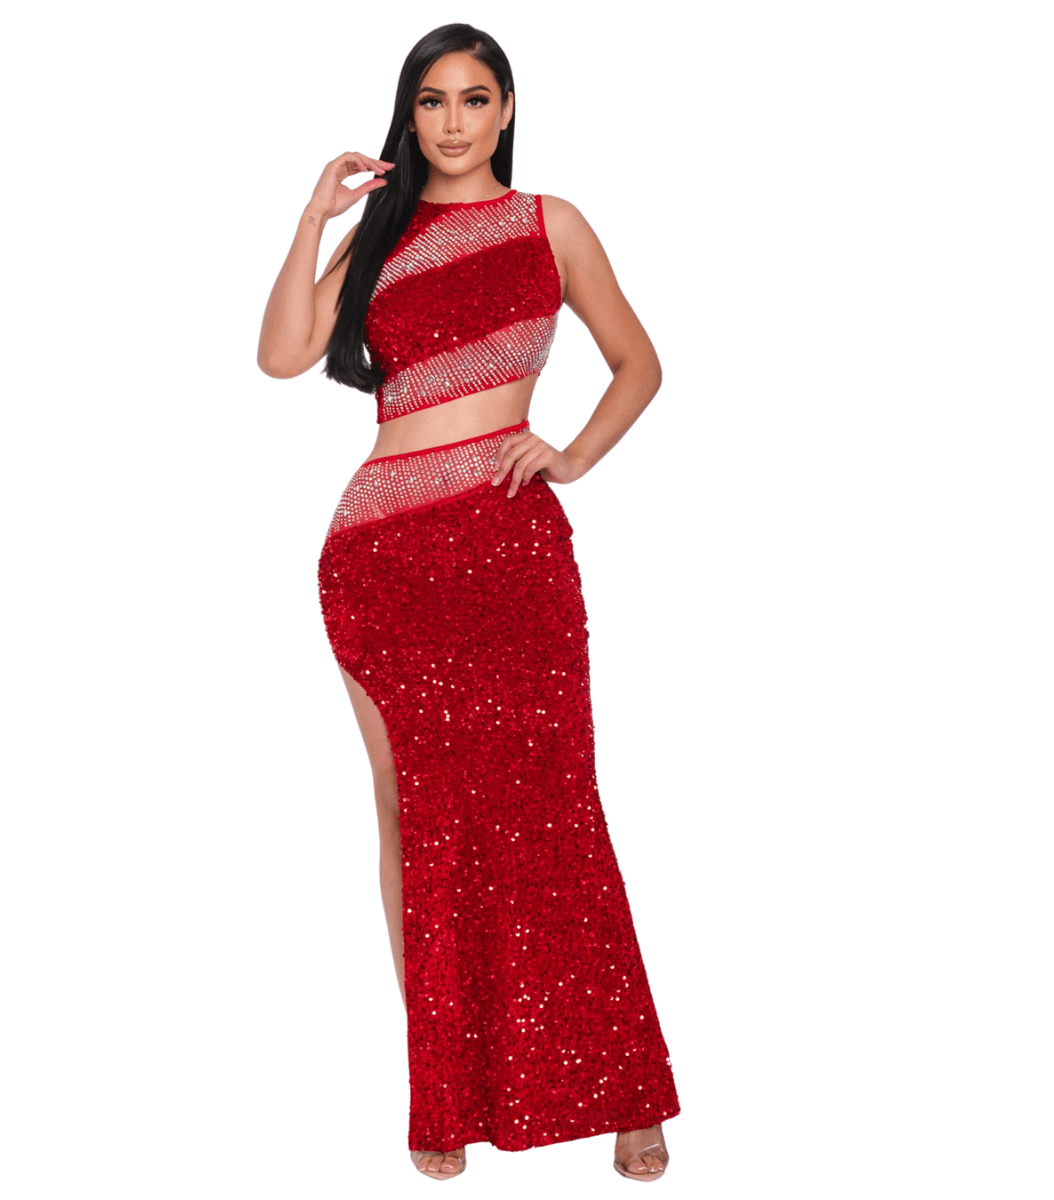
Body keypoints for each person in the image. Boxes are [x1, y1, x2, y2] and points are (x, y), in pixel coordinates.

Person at [257, 22, 679, 1182]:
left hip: (510, 548)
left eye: (474, 98)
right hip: (382, 558)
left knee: (557, 811)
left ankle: (626, 1094)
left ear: (506, 109)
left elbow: (640, 362)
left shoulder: (550, 223)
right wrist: (315, 220)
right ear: (410, 115)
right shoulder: (383, 235)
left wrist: (573, 454)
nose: (453, 121)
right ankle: (442, 1089)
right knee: (416, 817)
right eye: (432, 101)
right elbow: (283, 354)